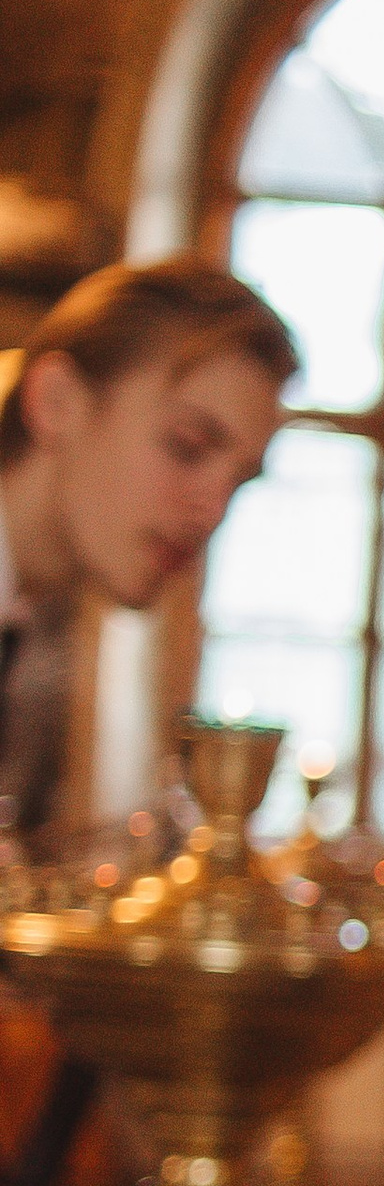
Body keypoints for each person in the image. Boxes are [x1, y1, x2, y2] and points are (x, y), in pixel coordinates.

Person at [0, 261, 291, 836]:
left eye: (238, 481)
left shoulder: (32, 621)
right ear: (56, 401)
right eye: (188, 447)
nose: (213, 510)